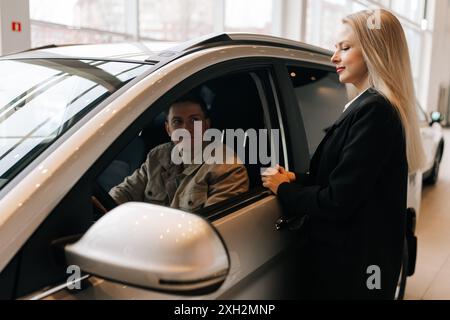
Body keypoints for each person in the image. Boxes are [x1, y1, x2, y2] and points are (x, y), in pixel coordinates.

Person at [262, 9, 425, 299]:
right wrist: (298, 177)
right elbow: (344, 176)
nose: (334, 57)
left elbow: (339, 200)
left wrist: (285, 190)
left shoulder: (375, 111)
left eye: (345, 48)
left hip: (351, 271)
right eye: (335, 47)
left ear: (375, 52)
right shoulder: (368, 106)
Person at [109, 93, 249, 212]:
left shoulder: (227, 169)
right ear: (168, 129)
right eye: (177, 121)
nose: (186, 129)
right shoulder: (157, 156)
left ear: (206, 125)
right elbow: (124, 193)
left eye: (194, 120)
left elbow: (211, 228)